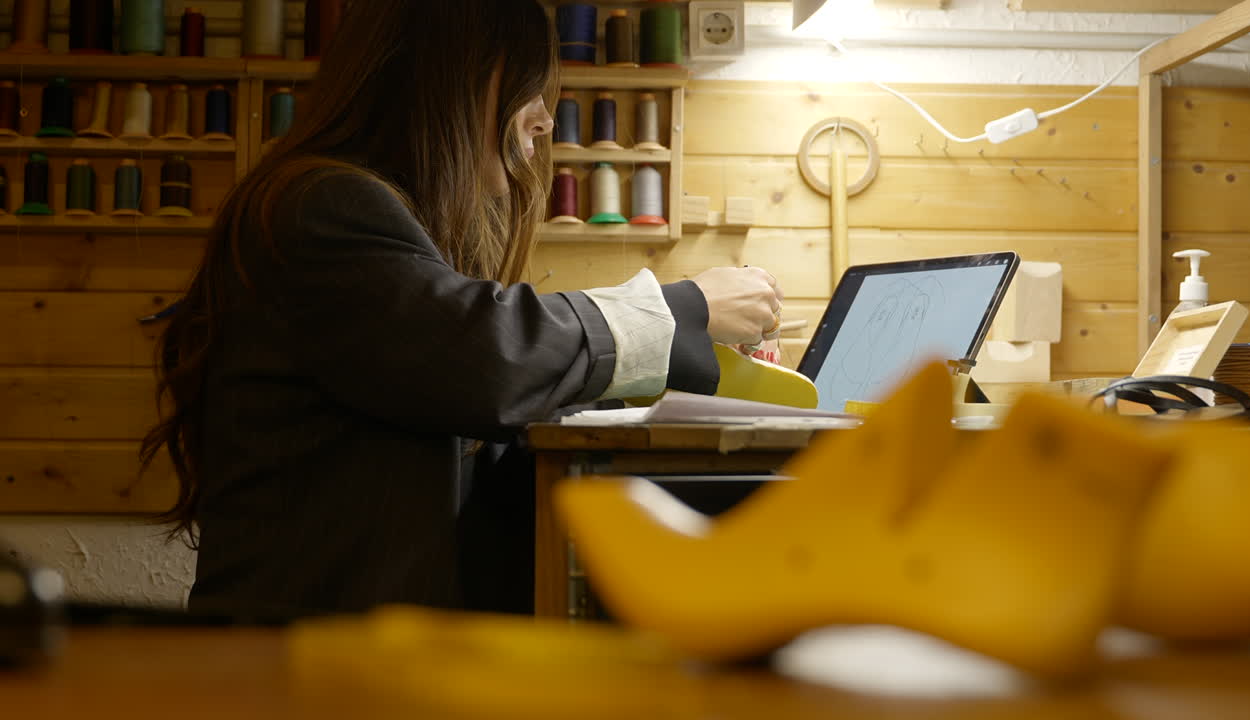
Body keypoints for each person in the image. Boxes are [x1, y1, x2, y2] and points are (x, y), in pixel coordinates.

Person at [142, 0, 783, 619]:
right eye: (527, 86)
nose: (544, 120)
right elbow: (485, 359)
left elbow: (480, 416)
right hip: (299, 659)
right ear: (448, 78)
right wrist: (681, 309)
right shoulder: (320, 207)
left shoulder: (359, 216)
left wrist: (657, 386)